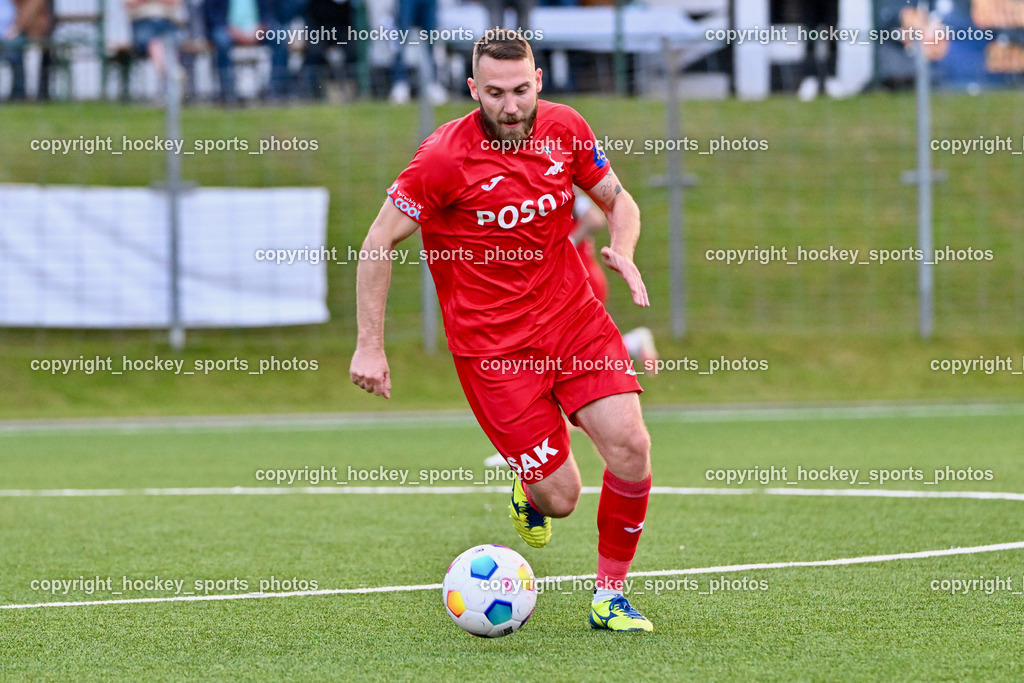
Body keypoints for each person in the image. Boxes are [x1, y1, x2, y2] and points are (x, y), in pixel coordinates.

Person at [350, 28, 654, 632]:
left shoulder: (565, 128)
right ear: (473, 90)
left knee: (631, 445)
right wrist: (370, 345)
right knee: (560, 499)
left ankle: (609, 597)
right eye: (495, 93)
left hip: (573, 320)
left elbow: (620, 201)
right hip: (494, 351)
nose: (511, 106)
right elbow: (378, 240)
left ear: (538, 80)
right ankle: (529, 485)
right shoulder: (442, 159)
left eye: (521, 89)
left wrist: (622, 250)